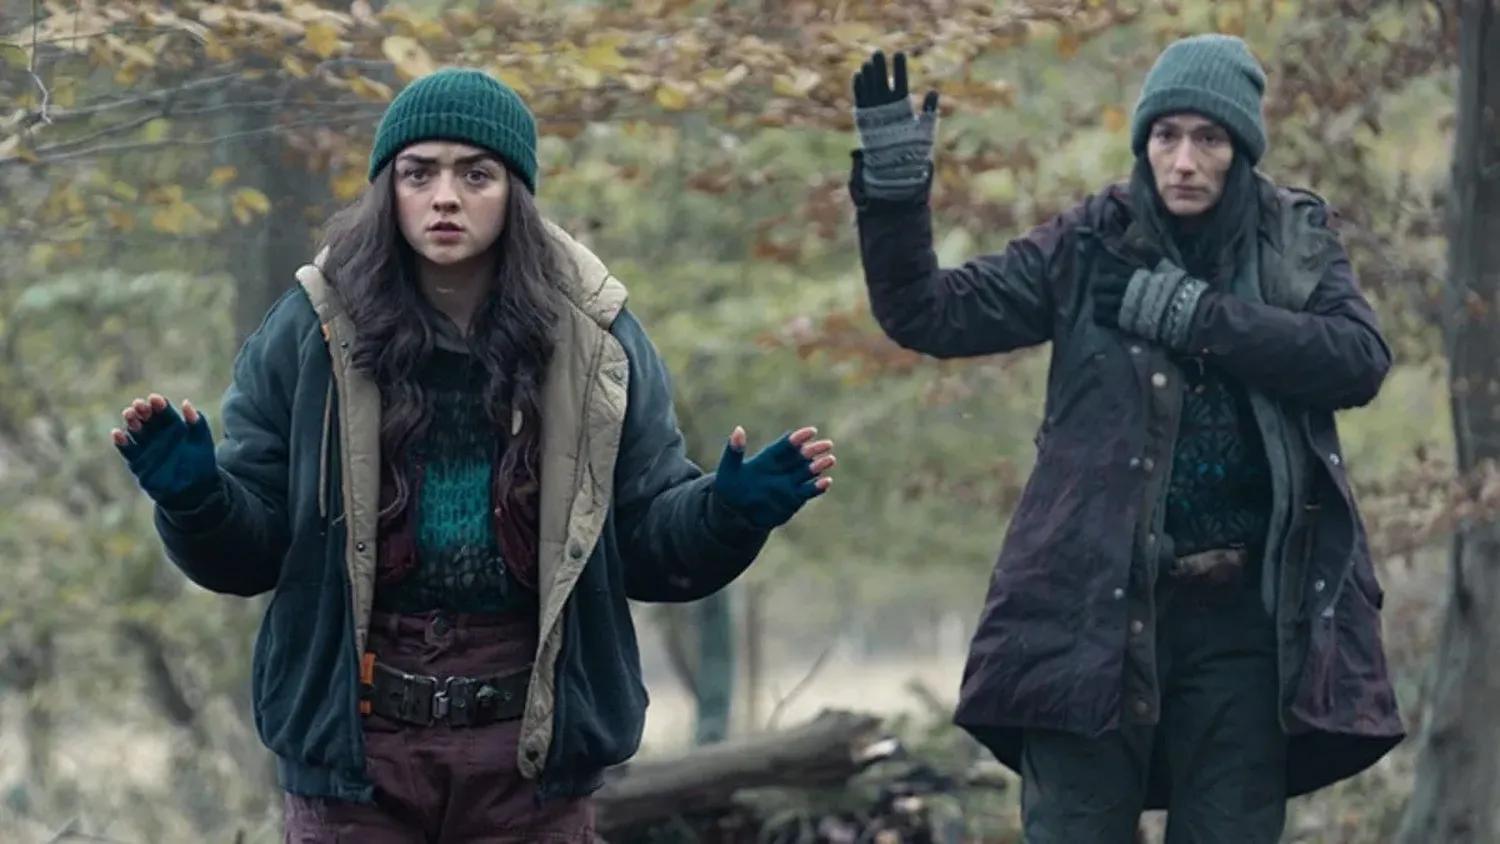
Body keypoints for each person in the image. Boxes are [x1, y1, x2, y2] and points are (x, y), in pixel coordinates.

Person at [112, 67, 837, 841]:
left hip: (530, 757)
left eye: (476, 175)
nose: (445, 197)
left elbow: (650, 548)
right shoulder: (310, 331)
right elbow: (250, 557)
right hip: (356, 756)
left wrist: (727, 516)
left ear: (515, 192)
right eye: (419, 173)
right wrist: (196, 501)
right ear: (388, 189)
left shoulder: (596, 341)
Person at [848, 34, 1402, 842]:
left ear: (1242, 149)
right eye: (1166, 136)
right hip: (1088, 616)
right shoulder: (1088, 241)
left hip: (1245, 629)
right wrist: (896, 198)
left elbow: (1358, 359)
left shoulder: (1292, 240)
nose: (1184, 161)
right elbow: (931, 313)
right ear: (1144, 142)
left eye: (1209, 139)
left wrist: (1195, 315)